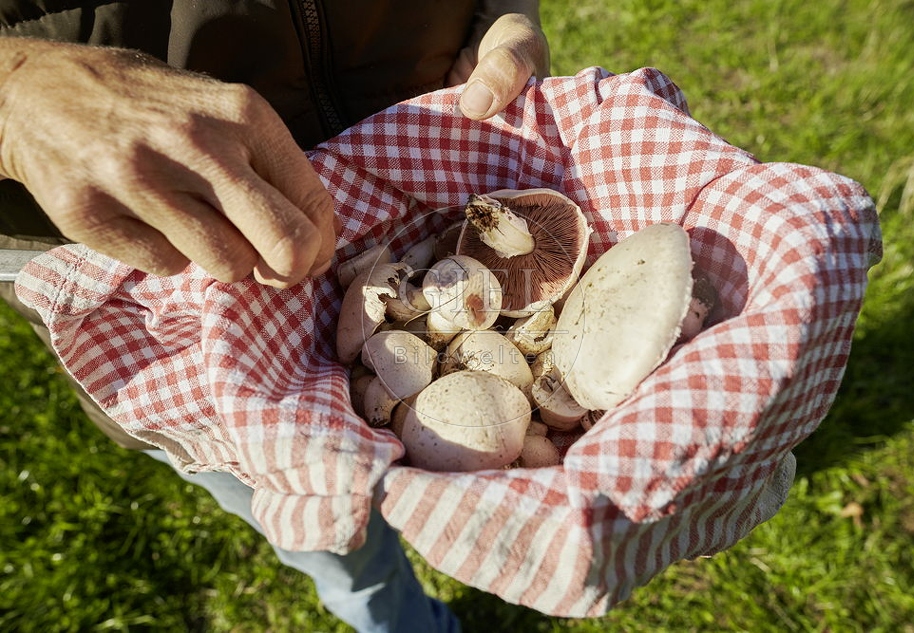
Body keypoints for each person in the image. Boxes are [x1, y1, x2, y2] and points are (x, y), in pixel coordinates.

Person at [0, 2, 550, 631]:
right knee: (333, 538)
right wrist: (15, 94)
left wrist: (498, 10)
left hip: (423, 138)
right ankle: (397, 619)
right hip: (154, 272)